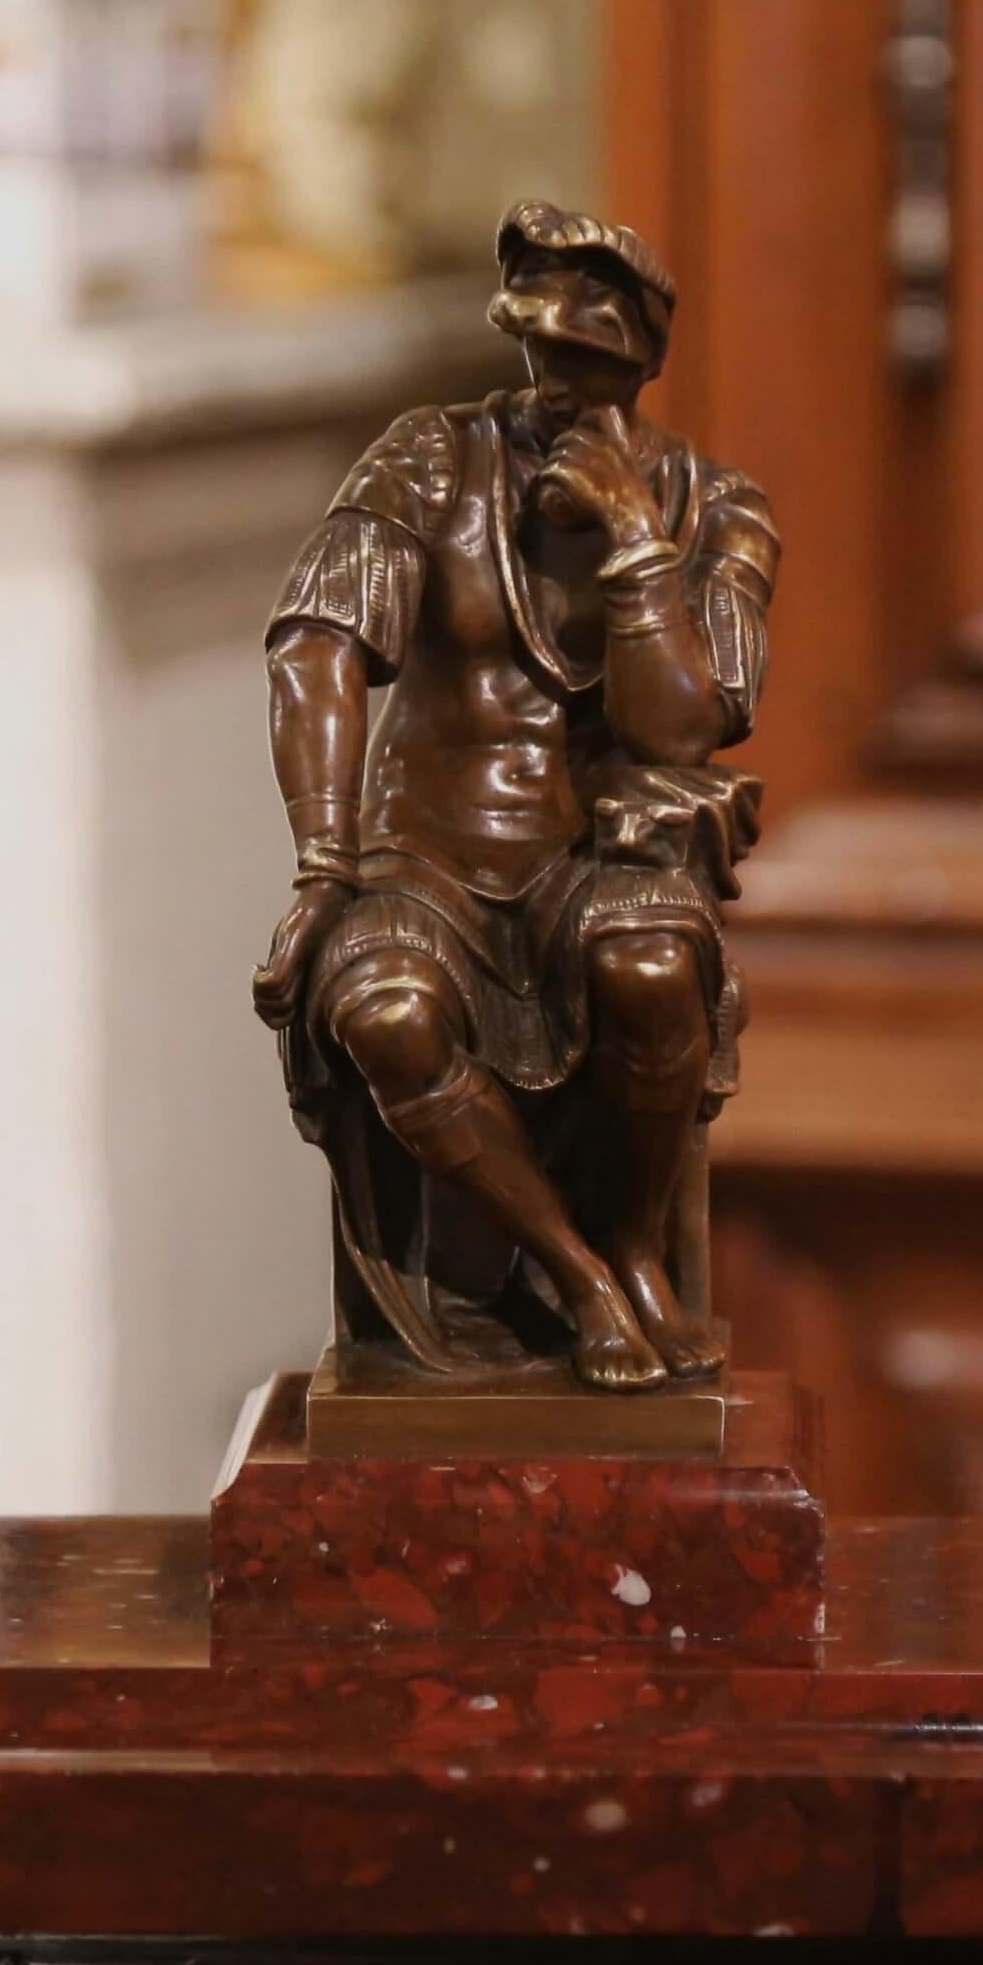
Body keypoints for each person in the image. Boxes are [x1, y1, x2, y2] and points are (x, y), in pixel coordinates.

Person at [254, 202, 780, 1391]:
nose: (556, 384)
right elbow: (317, 645)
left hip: (588, 859)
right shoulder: (432, 460)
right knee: (383, 1010)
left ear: (641, 360)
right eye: (538, 351)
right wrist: (323, 865)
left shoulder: (718, 510)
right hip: (422, 857)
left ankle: (638, 1253)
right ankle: (578, 1272)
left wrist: (635, 541)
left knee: (649, 968)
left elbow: (683, 723)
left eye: (588, 363)